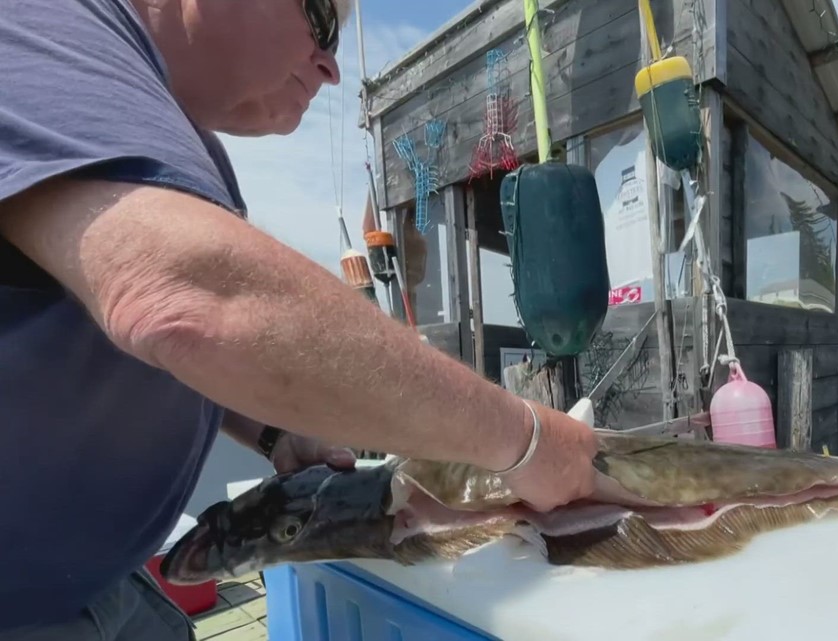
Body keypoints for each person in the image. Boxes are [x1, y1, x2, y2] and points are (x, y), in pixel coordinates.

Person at [0, 1, 598, 638]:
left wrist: (272, 434)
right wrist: (526, 442)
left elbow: (140, 342)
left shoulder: (183, 147)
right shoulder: (38, 27)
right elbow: (185, 303)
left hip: (103, 576)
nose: (330, 66)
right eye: (321, 15)